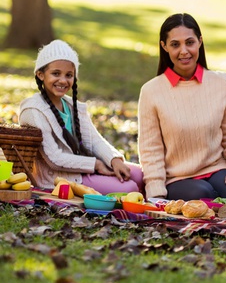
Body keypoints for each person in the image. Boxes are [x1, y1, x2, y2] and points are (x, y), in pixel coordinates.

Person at [138, 13, 226, 201]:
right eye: (175, 44)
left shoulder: (222, 83)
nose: (184, 51)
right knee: (203, 195)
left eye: (190, 42)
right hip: (178, 178)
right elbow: (150, 149)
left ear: (200, 42)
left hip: (216, 168)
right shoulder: (151, 91)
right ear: (164, 46)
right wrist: (155, 193)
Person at [19, 40, 143, 194]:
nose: (63, 80)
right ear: (41, 74)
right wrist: (96, 165)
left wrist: (114, 160)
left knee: (140, 175)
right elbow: (54, 158)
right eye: (56, 73)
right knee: (129, 187)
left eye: (69, 75)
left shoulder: (73, 106)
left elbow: (95, 140)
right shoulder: (33, 110)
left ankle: (148, 204)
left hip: (84, 168)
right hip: (60, 177)